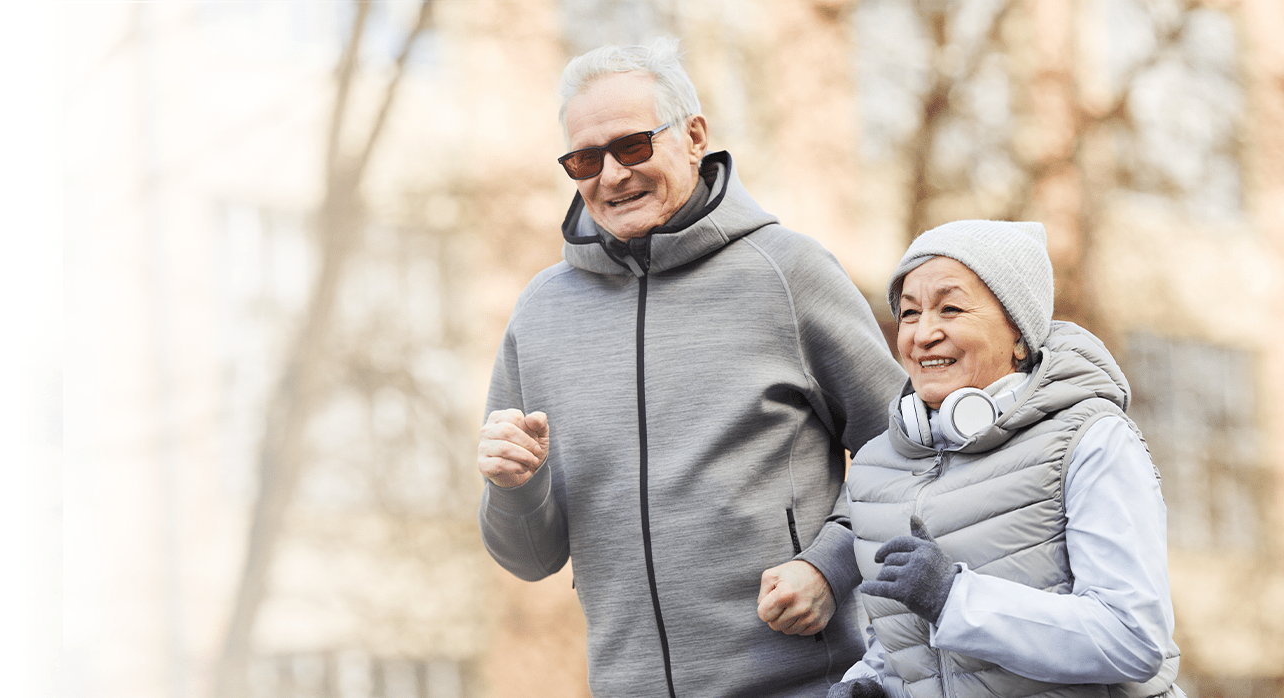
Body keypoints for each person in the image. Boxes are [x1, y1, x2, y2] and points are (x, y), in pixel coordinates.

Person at [475, 39, 904, 698]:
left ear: (695, 136)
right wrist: (515, 488)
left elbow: (907, 449)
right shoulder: (538, 316)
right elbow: (532, 558)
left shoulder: (789, 273)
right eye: (586, 159)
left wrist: (830, 566)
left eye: (634, 146)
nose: (612, 176)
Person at [828, 220, 1183, 698]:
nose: (923, 333)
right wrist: (870, 682)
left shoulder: (1091, 441)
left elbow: (1134, 639)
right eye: (909, 314)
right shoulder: (876, 467)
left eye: (950, 308)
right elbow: (898, 639)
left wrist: (954, 598)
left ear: (1020, 333)